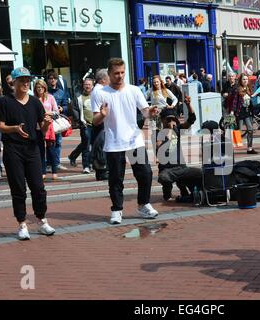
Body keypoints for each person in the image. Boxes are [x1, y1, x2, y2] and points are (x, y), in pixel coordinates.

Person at [91, 58, 160, 224]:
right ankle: (117, 209)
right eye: (116, 73)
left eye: (122, 72)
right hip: (114, 143)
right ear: (109, 74)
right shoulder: (99, 93)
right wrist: (102, 114)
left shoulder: (134, 90)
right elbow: (95, 121)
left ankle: (143, 204)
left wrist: (152, 112)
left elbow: (145, 112)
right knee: (116, 178)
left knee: (145, 173)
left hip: (134, 140)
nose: (120, 76)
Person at [0, 67, 55, 240]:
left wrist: (46, 122)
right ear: (13, 83)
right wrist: (14, 129)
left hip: (33, 149)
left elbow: (42, 130)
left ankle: (42, 220)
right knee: (19, 189)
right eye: (21, 80)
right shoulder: (5, 101)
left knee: (38, 188)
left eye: (27, 80)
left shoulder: (36, 102)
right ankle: (22, 224)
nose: (25, 83)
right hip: (13, 151)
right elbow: (0, 126)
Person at [156, 96, 201, 202]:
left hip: (180, 166)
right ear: (162, 120)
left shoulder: (177, 129)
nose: (171, 121)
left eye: (173, 119)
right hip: (166, 169)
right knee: (164, 179)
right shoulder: (158, 133)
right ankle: (168, 194)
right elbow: (158, 148)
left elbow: (192, 119)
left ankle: (188, 192)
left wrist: (188, 105)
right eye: (168, 119)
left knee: (197, 174)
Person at [34, 79, 59, 180]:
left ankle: (54, 171)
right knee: (40, 150)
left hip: (49, 126)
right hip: (37, 127)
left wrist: (49, 113)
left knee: (51, 149)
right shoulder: (34, 99)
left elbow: (56, 112)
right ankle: (42, 171)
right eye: (38, 87)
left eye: (41, 87)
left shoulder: (50, 97)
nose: (39, 89)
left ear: (45, 88)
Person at [69, 78, 94, 173]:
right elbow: (74, 109)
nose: (87, 86)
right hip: (85, 125)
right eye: (86, 84)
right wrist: (79, 121)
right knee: (86, 145)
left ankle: (73, 156)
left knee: (93, 144)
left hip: (96, 124)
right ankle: (86, 166)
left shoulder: (96, 96)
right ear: (83, 85)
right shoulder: (79, 97)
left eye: (89, 84)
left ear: (92, 86)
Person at [47, 70, 68, 171]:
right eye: (50, 78)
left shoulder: (61, 92)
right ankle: (49, 163)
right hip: (47, 120)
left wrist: (62, 108)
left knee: (58, 142)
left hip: (57, 120)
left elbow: (66, 105)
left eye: (54, 78)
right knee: (49, 142)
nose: (52, 81)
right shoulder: (45, 92)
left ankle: (57, 162)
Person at [232, 73, 256, 154]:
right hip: (240, 111)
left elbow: (251, 97)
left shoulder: (249, 88)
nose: (245, 81)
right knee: (238, 130)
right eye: (243, 79)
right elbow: (235, 101)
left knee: (250, 130)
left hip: (247, 111)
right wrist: (232, 111)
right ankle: (230, 145)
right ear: (240, 81)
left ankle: (250, 148)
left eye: (246, 79)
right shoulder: (238, 89)